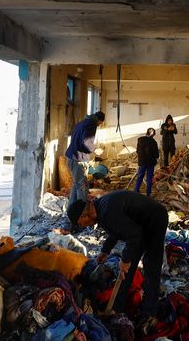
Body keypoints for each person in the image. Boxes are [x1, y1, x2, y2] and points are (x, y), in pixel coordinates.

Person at [68, 191, 168, 332]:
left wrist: (125, 259)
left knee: (151, 264)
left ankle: (150, 311)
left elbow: (134, 235)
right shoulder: (100, 210)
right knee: (126, 268)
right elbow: (116, 231)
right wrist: (105, 250)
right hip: (139, 225)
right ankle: (118, 306)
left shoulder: (107, 212)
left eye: (81, 224)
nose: (84, 227)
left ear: (84, 216)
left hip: (154, 218)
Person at [66, 111, 105, 203]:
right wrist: (95, 150)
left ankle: (71, 208)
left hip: (71, 156)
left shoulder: (82, 123)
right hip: (77, 158)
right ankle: (82, 210)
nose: (99, 125)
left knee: (76, 184)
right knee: (81, 186)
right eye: (100, 123)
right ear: (99, 121)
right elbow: (86, 142)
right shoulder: (91, 124)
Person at [135, 128, 160, 196]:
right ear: (153, 134)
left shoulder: (140, 140)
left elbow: (137, 151)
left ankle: (136, 191)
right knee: (149, 177)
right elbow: (156, 155)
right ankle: (148, 193)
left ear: (147, 133)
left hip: (142, 162)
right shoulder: (153, 142)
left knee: (140, 176)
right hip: (150, 163)